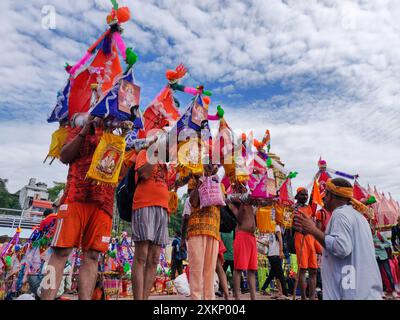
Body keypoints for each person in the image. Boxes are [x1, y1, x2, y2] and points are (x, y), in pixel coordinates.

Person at [41, 116, 115, 300]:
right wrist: (84, 130)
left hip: (104, 201)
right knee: (61, 251)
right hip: (75, 195)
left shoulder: (116, 131)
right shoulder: (79, 124)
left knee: (92, 256)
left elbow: (120, 169)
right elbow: (64, 156)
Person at [295, 178, 383, 300]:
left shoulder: (340, 215)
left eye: (325, 194)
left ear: (331, 195)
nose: (324, 198)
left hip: (352, 293)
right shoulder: (359, 217)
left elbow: (341, 248)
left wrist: (313, 230)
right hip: (363, 290)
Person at [131, 146, 170, 300]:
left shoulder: (166, 161)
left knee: (154, 258)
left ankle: (145, 297)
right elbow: (144, 173)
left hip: (163, 207)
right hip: (144, 203)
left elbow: (171, 183)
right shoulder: (144, 153)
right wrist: (155, 151)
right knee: (141, 255)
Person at [181, 165, 222, 300]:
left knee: (210, 272)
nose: (212, 164)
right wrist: (202, 179)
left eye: (214, 163)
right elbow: (193, 201)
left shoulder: (219, 180)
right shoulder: (195, 177)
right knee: (196, 270)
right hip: (196, 229)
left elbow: (221, 202)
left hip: (213, 230)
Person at [226, 194, 258, 300]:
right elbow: (239, 220)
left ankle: (253, 297)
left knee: (252, 269)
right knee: (238, 268)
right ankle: (237, 297)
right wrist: (242, 205)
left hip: (252, 237)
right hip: (242, 235)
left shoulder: (250, 204)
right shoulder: (234, 204)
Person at [293, 187, 318, 300]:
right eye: (302, 195)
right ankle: (303, 297)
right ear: (297, 196)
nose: (305, 197)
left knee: (313, 269)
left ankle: (312, 297)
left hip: (311, 239)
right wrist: (299, 228)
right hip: (300, 238)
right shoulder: (293, 208)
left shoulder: (309, 207)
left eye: (306, 195)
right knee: (302, 269)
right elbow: (289, 224)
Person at [261, 223, 289, 299]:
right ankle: (280, 292)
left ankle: (285, 294)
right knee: (275, 274)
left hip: (275, 254)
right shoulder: (270, 228)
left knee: (280, 274)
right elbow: (270, 243)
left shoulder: (276, 227)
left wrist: (281, 251)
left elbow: (280, 239)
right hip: (271, 254)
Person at [373, 228, 398, 298]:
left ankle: (393, 290)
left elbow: (389, 243)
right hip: (375, 258)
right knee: (379, 275)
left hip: (383, 257)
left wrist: (380, 245)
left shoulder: (379, 234)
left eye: (372, 229)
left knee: (388, 274)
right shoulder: (368, 236)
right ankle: (383, 290)